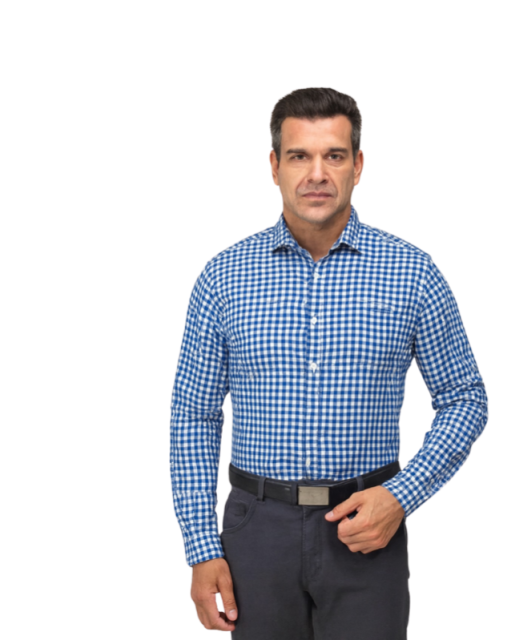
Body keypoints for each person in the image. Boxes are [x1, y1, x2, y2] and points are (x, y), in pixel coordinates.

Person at [170, 87, 488, 639]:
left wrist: (400, 495)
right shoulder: (224, 278)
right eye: (299, 156)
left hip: (366, 528)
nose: (316, 173)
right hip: (256, 531)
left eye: (334, 156)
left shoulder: (412, 274)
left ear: (357, 165)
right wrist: (201, 548)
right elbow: (193, 415)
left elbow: (465, 399)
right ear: (274, 166)